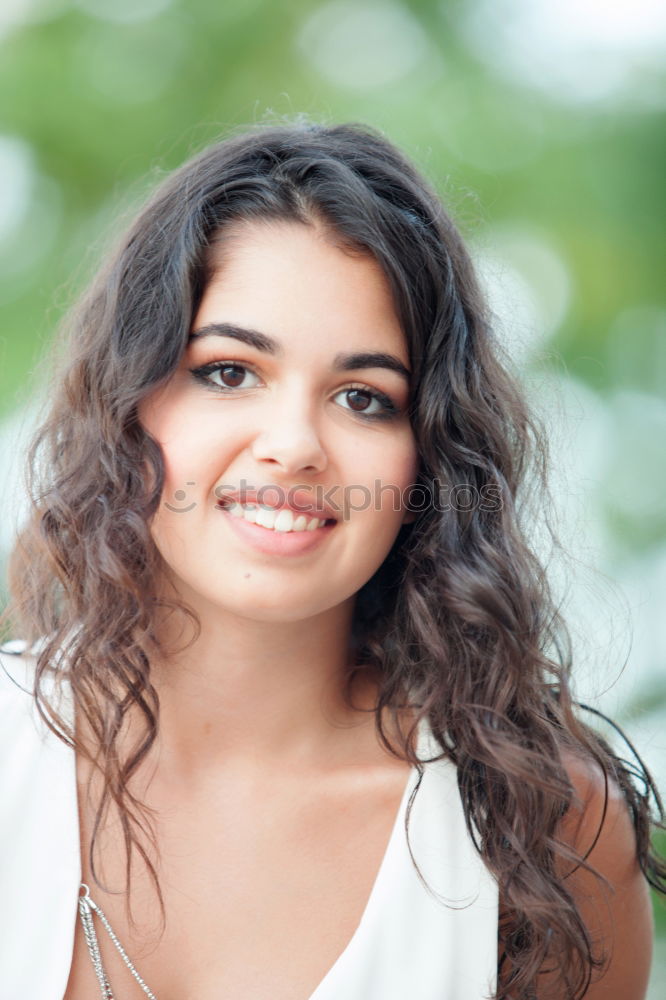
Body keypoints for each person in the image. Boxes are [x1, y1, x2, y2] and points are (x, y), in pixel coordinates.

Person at [0, 119, 663, 1000]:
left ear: (430, 457)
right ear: (129, 401)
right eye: (229, 371)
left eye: (364, 397)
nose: (293, 447)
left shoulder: (543, 832)